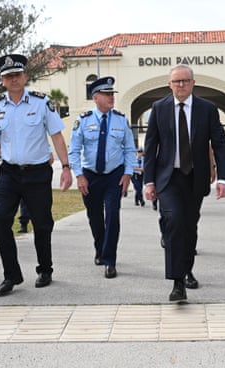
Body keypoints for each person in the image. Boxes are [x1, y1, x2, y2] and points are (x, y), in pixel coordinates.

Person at [0, 54, 73, 296]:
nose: (13, 80)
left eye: (17, 75)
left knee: (42, 224)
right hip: (9, 173)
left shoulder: (41, 103)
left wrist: (66, 167)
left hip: (37, 173)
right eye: (8, 76)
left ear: (25, 76)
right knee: (0, 220)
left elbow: (56, 136)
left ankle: (45, 268)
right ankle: (11, 274)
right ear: (2, 80)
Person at [144, 64, 225, 302]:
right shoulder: (158, 109)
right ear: (169, 84)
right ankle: (177, 281)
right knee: (174, 221)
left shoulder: (207, 109)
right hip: (168, 178)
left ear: (193, 83)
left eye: (185, 81)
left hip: (195, 177)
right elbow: (151, 147)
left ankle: (187, 268)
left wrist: (223, 177)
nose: (180, 85)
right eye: (176, 81)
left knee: (190, 226)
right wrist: (148, 181)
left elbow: (221, 144)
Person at [69, 76, 136, 279]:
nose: (111, 98)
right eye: (107, 95)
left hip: (114, 175)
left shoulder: (121, 119)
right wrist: (79, 175)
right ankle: (100, 248)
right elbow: (74, 150)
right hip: (90, 175)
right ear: (95, 97)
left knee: (113, 215)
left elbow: (130, 149)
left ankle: (110, 260)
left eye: (112, 94)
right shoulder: (83, 120)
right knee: (95, 216)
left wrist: (128, 173)